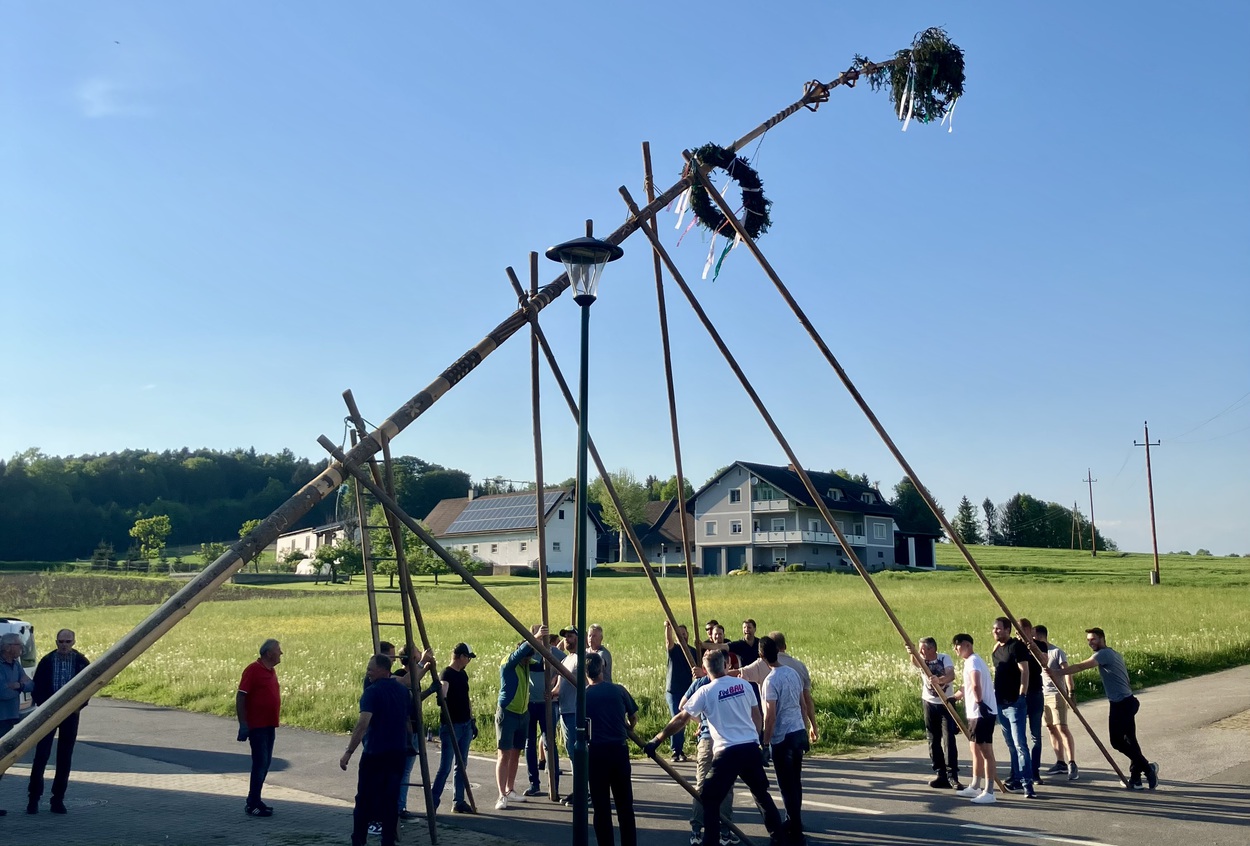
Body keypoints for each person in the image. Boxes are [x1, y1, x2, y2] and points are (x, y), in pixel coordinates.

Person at [645, 650, 782, 846]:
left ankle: (711, 842)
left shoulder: (706, 692)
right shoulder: (744, 685)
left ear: (705, 670)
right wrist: (758, 741)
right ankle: (778, 838)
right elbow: (757, 716)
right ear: (726, 665)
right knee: (761, 795)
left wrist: (657, 740)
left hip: (727, 752)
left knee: (709, 797)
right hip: (750, 749)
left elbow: (681, 719)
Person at [1047, 627, 1157, 790]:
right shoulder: (1113, 653)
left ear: (1102, 639)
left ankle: (1148, 768)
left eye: (1094, 639)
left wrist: (1057, 672)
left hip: (1122, 703)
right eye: (1088, 640)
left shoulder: (1103, 654)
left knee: (1117, 741)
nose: (1090, 643)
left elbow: (1080, 667)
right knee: (1130, 741)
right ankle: (1136, 778)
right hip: (1125, 701)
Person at [341, 653, 413, 846]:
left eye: (370, 669)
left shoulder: (372, 692)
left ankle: (358, 841)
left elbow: (362, 724)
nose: (368, 673)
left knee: (364, 800)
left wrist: (349, 752)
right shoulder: (402, 691)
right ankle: (387, 841)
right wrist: (409, 744)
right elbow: (407, 720)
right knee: (390, 801)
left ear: (383, 669)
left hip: (375, 754)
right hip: (397, 754)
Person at [26, 629, 91, 815]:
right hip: (47, 714)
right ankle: (33, 799)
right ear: (56, 642)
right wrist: (43, 706)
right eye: (61, 641)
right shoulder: (47, 661)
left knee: (64, 757)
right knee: (41, 756)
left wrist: (79, 706)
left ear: (74, 642)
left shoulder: (80, 662)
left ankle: (58, 799)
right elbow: (37, 686)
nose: (64, 645)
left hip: (70, 714)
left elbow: (89, 686)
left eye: (68, 641)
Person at [584, 652, 638, 846]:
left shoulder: (584, 695)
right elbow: (633, 716)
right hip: (618, 750)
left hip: (597, 752)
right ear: (603, 669)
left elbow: (581, 726)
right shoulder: (618, 690)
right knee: (625, 806)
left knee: (601, 807)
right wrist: (628, 728)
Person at [759, 636, 808, 845]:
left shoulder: (771, 680)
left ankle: (796, 830)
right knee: (795, 782)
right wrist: (805, 728)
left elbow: (770, 715)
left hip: (783, 737)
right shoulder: (793, 673)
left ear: (761, 656)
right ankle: (794, 820)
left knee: (786, 786)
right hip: (798, 731)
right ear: (777, 652)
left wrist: (766, 742)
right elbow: (802, 704)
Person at [679, 668, 733, 845]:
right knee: (725, 786)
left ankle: (696, 830)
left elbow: (682, 707)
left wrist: (701, 720)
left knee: (702, 785)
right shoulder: (731, 683)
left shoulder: (700, 684)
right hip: (725, 739)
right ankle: (725, 832)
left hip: (707, 738)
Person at [495, 626, 545, 809]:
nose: (528, 662)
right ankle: (501, 795)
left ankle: (510, 789)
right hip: (508, 713)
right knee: (504, 754)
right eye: (526, 658)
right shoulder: (508, 662)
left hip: (523, 714)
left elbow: (542, 664)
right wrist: (536, 637)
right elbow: (520, 655)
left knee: (516, 753)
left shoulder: (526, 663)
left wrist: (545, 646)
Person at [236, 638, 283, 817]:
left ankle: (256, 799)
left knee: (265, 763)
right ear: (269, 653)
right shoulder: (253, 670)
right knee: (260, 763)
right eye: (278, 650)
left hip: (270, 725)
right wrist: (243, 724)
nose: (281, 653)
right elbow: (241, 696)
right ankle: (252, 802)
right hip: (257, 726)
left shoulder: (270, 671)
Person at [951, 633, 998, 805]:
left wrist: (980, 702)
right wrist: (955, 697)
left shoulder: (973, 661)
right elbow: (968, 686)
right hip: (974, 712)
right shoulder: (972, 661)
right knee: (974, 748)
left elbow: (976, 683)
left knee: (985, 750)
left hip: (981, 712)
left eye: (956, 646)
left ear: (966, 645)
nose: (955, 649)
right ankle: (976, 785)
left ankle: (989, 790)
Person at [990, 616, 1035, 797]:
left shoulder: (1017, 647)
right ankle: (1015, 778)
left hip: (1015, 703)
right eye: (994, 629)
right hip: (1000, 703)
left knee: (1020, 744)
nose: (995, 631)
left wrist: (1022, 694)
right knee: (1010, 745)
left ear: (1008, 630)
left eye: (999, 629)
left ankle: (1027, 783)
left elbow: (1025, 671)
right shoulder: (996, 650)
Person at [909, 636, 960, 789]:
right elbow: (914, 661)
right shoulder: (921, 659)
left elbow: (951, 675)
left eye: (922, 649)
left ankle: (953, 776)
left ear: (932, 649)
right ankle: (940, 773)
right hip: (929, 702)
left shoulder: (944, 658)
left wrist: (941, 680)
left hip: (946, 702)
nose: (921, 652)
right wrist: (911, 651)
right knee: (933, 738)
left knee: (949, 739)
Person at [431, 643, 477, 814]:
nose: (469, 661)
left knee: (461, 765)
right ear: (461, 656)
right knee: (445, 767)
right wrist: (440, 693)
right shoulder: (447, 673)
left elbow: (466, 698)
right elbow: (443, 693)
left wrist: (472, 720)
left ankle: (459, 801)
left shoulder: (463, 674)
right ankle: (433, 801)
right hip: (451, 725)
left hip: (465, 724)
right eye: (469, 658)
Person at [1034, 625, 1078, 781]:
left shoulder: (1056, 652)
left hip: (1057, 694)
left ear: (1040, 636)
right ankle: (1060, 762)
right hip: (1043, 695)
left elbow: (1067, 672)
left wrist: (1071, 692)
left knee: (1062, 728)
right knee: (1051, 728)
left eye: (1034, 637)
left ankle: (1072, 762)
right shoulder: (1035, 654)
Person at [525, 626, 564, 797]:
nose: (539, 641)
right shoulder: (527, 651)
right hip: (529, 703)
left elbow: (568, 664)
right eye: (536, 637)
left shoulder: (553, 652)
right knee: (529, 744)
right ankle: (534, 783)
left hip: (548, 703)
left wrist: (556, 685)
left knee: (549, 742)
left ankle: (553, 785)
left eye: (541, 638)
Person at [0, 632, 34, 818]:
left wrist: (17, 686)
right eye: (18, 645)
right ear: (7, 647)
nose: (21, 648)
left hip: (10, 718)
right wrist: (18, 687)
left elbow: (31, 685)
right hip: (0, 719)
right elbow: (2, 693)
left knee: (2, 764)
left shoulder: (16, 665)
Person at [1016, 618, 1046, 784]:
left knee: (1036, 736)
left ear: (1029, 630)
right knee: (1019, 737)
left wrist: (1033, 648)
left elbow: (1045, 662)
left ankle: (1035, 771)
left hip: (1035, 693)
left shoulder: (1039, 645)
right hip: (1019, 694)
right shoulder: (1015, 645)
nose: (1017, 634)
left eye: (1020, 630)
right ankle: (1021, 770)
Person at [664, 620, 697, 763]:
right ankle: (675, 751)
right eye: (680, 634)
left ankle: (680, 749)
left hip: (687, 690)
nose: (682, 637)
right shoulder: (674, 649)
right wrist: (668, 628)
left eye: (684, 634)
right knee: (676, 717)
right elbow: (668, 640)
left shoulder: (694, 652)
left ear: (688, 635)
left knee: (684, 720)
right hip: (673, 690)